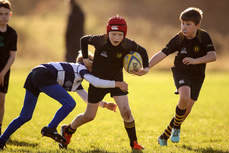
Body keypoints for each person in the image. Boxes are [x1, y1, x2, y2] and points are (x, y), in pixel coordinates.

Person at [0, 53, 128, 149]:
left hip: (34, 74)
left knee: (25, 116)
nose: (94, 70)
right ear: (87, 64)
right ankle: (51, 128)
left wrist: (105, 105)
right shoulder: (80, 68)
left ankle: (1, 140)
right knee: (70, 103)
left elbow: (87, 98)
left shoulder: (77, 79)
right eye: (93, 66)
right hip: (42, 74)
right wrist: (117, 84)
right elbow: (95, 82)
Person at [59, 15, 149, 151]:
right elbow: (83, 40)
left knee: (126, 112)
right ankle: (68, 130)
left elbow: (142, 51)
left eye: (120, 34)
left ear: (124, 34)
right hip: (97, 82)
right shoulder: (101, 40)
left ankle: (134, 143)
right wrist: (85, 58)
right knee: (89, 116)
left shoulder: (127, 43)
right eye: (113, 34)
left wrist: (146, 68)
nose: (116, 38)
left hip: (117, 81)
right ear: (108, 33)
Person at [147, 7, 216, 146]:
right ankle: (177, 128)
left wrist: (195, 60)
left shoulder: (204, 36)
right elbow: (162, 53)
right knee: (184, 97)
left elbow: (213, 56)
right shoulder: (178, 38)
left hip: (198, 76)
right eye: (182, 23)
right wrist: (147, 67)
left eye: (188, 24)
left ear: (197, 25)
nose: (184, 27)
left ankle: (163, 136)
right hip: (181, 70)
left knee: (185, 111)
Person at [0, 0, 17, 135]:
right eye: (0, 14)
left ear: (10, 15)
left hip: (4, 71)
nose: (3, 16)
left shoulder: (12, 34)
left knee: (1, 101)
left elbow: (12, 56)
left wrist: (2, 73)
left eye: (6, 14)